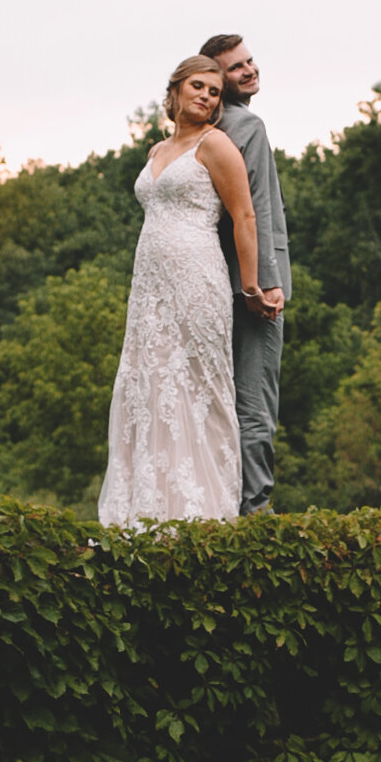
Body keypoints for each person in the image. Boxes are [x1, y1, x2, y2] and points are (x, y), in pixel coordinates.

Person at [98, 55, 277, 525]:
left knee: (194, 386)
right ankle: (148, 508)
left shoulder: (216, 144)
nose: (206, 96)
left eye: (215, 92)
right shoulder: (156, 151)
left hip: (197, 278)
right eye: (198, 86)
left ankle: (206, 510)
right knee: (149, 384)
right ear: (175, 91)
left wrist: (252, 285)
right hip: (150, 288)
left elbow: (245, 216)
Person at [198, 32, 289, 515]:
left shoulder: (203, 133)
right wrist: (266, 283)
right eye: (236, 68)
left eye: (250, 61)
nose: (249, 70)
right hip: (253, 283)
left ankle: (219, 499)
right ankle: (255, 508)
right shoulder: (246, 126)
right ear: (218, 78)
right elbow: (252, 212)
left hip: (209, 278)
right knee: (255, 400)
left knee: (219, 396)